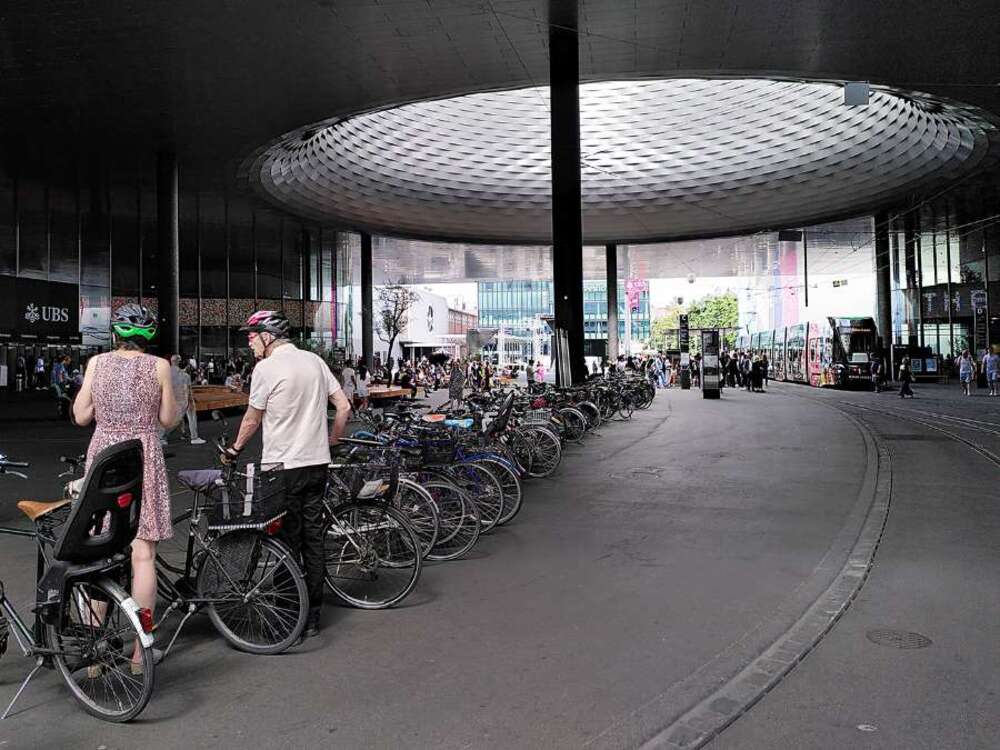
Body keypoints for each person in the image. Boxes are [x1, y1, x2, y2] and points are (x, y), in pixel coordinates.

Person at [223, 310, 351, 640]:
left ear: (268, 336)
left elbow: (252, 419)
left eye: (252, 335)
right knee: (313, 538)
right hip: (317, 464)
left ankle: (289, 615)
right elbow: (344, 406)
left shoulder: (266, 369)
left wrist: (234, 450)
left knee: (283, 541)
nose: (249, 341)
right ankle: (313, 615)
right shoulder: (314, 361)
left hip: (282, 469)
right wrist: (333, 441)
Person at [72, 303, 178, 670]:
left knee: (99, 554)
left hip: (104, 460)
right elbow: (168, 418)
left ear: (115, 334)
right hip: (142, 457)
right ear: (149, 336)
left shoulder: (97, 364)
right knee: (142, 554)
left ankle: (93, 654)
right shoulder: (159, 366)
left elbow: (81, 415)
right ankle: (139, 654)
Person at [169, 354, 205, 445]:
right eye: (180, 360)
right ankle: (194, 437)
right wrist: (191, 400)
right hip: (183, 400)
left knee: (175, 419)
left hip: (171, 399)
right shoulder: (185, 376)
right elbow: (187, 389)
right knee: (191, 416)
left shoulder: (166, 373)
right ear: (178, 361)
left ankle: (162, 438)